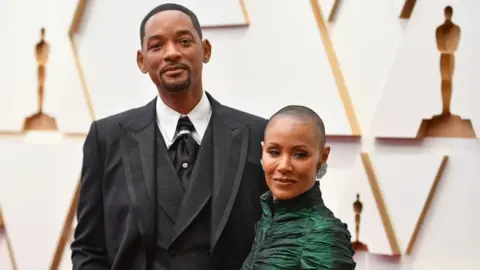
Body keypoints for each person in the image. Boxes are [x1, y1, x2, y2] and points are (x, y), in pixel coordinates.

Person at [70, 3, 268, 270]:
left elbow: (281, 238)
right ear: (141, 60)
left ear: (206, 50)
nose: (172, 53)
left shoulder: (257, 135)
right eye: (157, 46)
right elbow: (89, 248)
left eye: (184, 41)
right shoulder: (106, 138)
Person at [241, 105, 356, 270]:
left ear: (323, 156)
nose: (284, 166)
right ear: (262, 152)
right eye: (274, 152)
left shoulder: (323, 233)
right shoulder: (267, 220)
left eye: (300, 154)